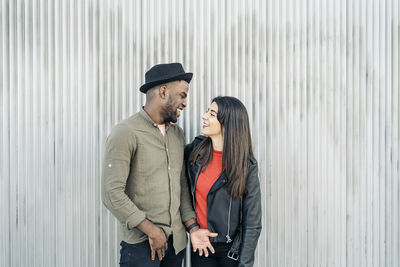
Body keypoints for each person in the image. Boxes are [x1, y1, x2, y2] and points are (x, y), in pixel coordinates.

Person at [101, 63, 214, 267]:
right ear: (163, 92)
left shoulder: (177, 135)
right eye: (182, 95)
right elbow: (111, 193)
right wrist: (151, 230)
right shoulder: (126, 132)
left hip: (175, 246)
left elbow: (181, 187)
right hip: (141, 248)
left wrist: (192, 227)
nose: (185, 103)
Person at [184, 96, 262, 267]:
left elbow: (253, 223)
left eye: (212, 114)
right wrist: (192, 229)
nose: (204, 116)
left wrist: (244, 263)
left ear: (227, 124)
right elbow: (181, 191)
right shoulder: (194, 152)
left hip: (231, 251)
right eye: (207, 111)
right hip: (201, 245)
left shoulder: (247, 166)